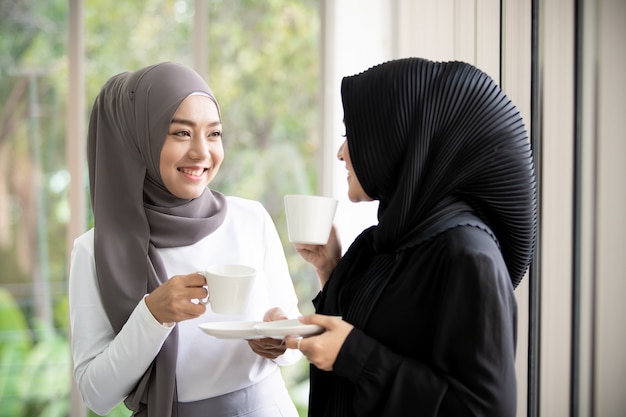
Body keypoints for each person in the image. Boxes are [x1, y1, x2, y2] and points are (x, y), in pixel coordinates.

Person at [285, 57, 537, 416]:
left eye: (351, 135)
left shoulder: (467, 256)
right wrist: (330, 269)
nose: (341, 153)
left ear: (395, 137)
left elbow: (485, 410)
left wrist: (358, 358)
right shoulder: (380, 243)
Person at [69, 62, 302, 417]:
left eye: (214, 134)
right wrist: (152, 315)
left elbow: (293, 342)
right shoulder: (94, 251)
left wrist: (280, 341)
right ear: (139, 140)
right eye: (180, 133)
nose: (201, 152)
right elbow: (95, 395)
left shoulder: (250, 218)